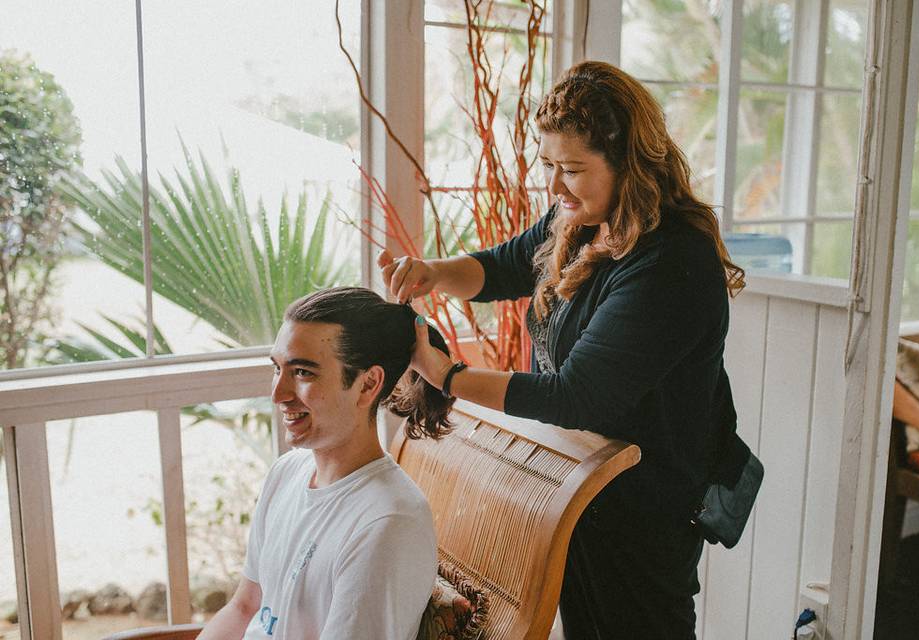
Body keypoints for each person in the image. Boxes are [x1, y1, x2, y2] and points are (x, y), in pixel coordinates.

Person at [378, 61, 745, 639]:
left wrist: (447, 376)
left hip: (644, 511)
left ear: (629, 163)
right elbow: (502, 266)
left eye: (571, 169)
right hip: (582, 492)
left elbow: (576, 396)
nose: (554, 186)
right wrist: (431, 272)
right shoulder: (581, 218)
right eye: (549, 165)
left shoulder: (672, 262)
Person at [198, 287, 454, 640]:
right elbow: (245, 607)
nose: (278, 394)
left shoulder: (389, 523)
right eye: (278, 369)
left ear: (368, 384)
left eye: (303, 372)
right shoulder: (287, 472)